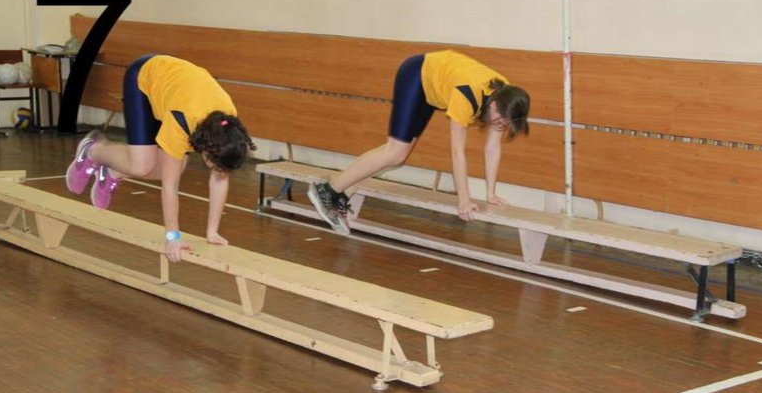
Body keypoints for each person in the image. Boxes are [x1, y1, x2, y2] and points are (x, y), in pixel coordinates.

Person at [308, 49, 530, 234]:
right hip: (417, 74)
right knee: (395, 152)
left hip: (433, 90)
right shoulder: (468, 96)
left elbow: (492, 148)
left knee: (397, 156)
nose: (500, 125)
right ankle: (328, 191)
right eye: (500, 120)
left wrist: (490, 193)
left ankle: (340, 193)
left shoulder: (506, 97)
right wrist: (464, 200)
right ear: (494, 106)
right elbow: (457, 152)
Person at [65, 54, 256, 261]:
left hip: (176, 93)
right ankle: (92, 150)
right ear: (207, 151)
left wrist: (212, 232)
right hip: (144, 78)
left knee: (173, 167)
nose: (217, 172)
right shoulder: (181, 125)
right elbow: (170, 187)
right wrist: (173, 237)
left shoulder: (227, 127)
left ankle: (114, 170)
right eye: (215, 167)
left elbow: (220, 178)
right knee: (142, 166)